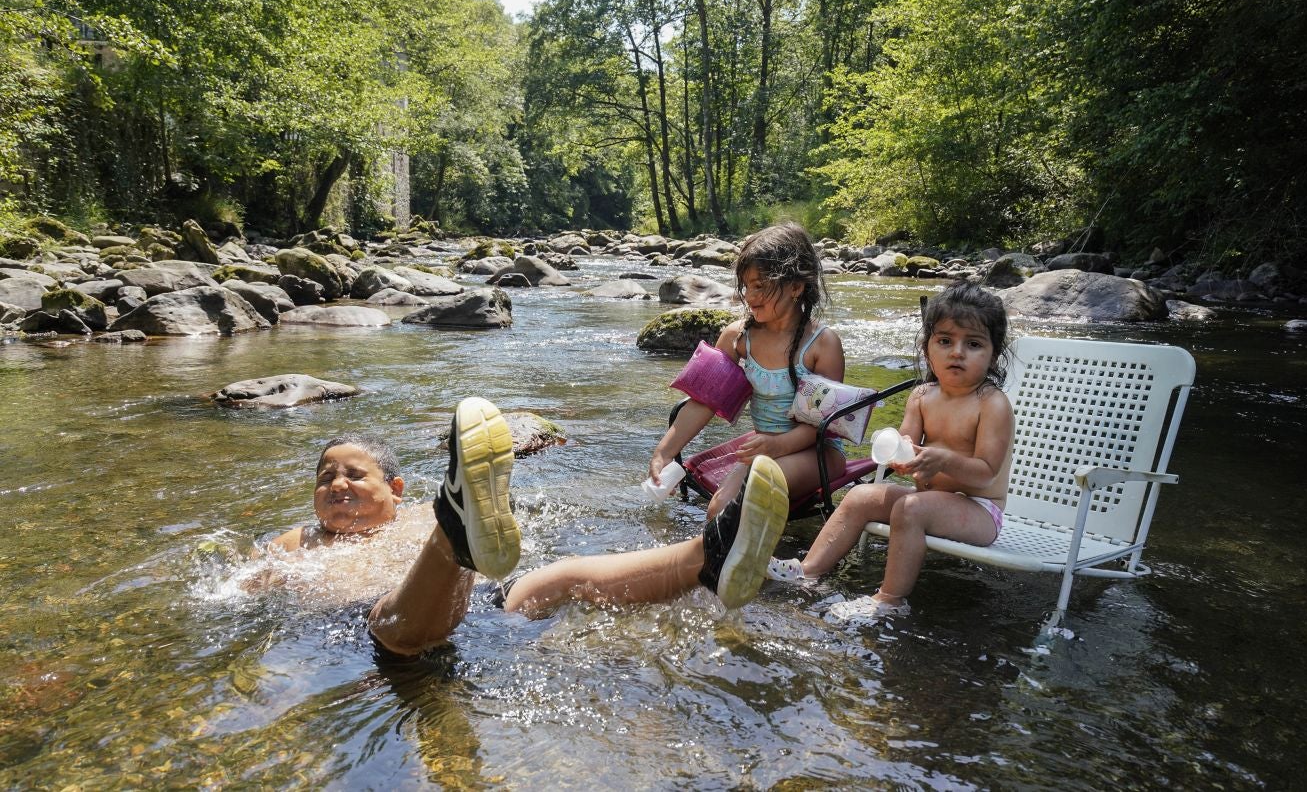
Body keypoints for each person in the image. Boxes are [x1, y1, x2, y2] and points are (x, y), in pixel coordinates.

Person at [268, 396, 791, 655]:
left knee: (560, 577)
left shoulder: (412, 519)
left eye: (355, 475)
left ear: (396, 491)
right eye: (325, 477)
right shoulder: (298, 540)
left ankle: (711, 555)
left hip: (480, 597)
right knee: (394, 620)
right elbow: (248, 586)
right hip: (385, 621)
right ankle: (457, 537)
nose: (336, 484)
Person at [766, 281, 1014, 623]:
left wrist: (942, 460)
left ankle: (889, 599)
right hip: (930, 500)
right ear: (928, 349)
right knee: (859, 496)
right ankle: (808, 572)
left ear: (993, 354)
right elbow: (907, 443)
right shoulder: (922, 396)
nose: (957, 352)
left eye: (973, 344)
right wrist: (902, 455)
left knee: (910, 508)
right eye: (945, 341)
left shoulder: (992, 403)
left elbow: (986, 470)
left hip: (980, 511)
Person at [648, 222, 847, 518]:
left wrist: (777, 445)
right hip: (764, 449)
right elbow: (703, 402)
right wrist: (664, 452)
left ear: (796, 287)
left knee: (742, 498)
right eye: (746, 285)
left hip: (816, 452)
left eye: (760, 286)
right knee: (720, 509)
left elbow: (821, 425)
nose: (749, 295)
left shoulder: (822, 345)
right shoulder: (738, 337)